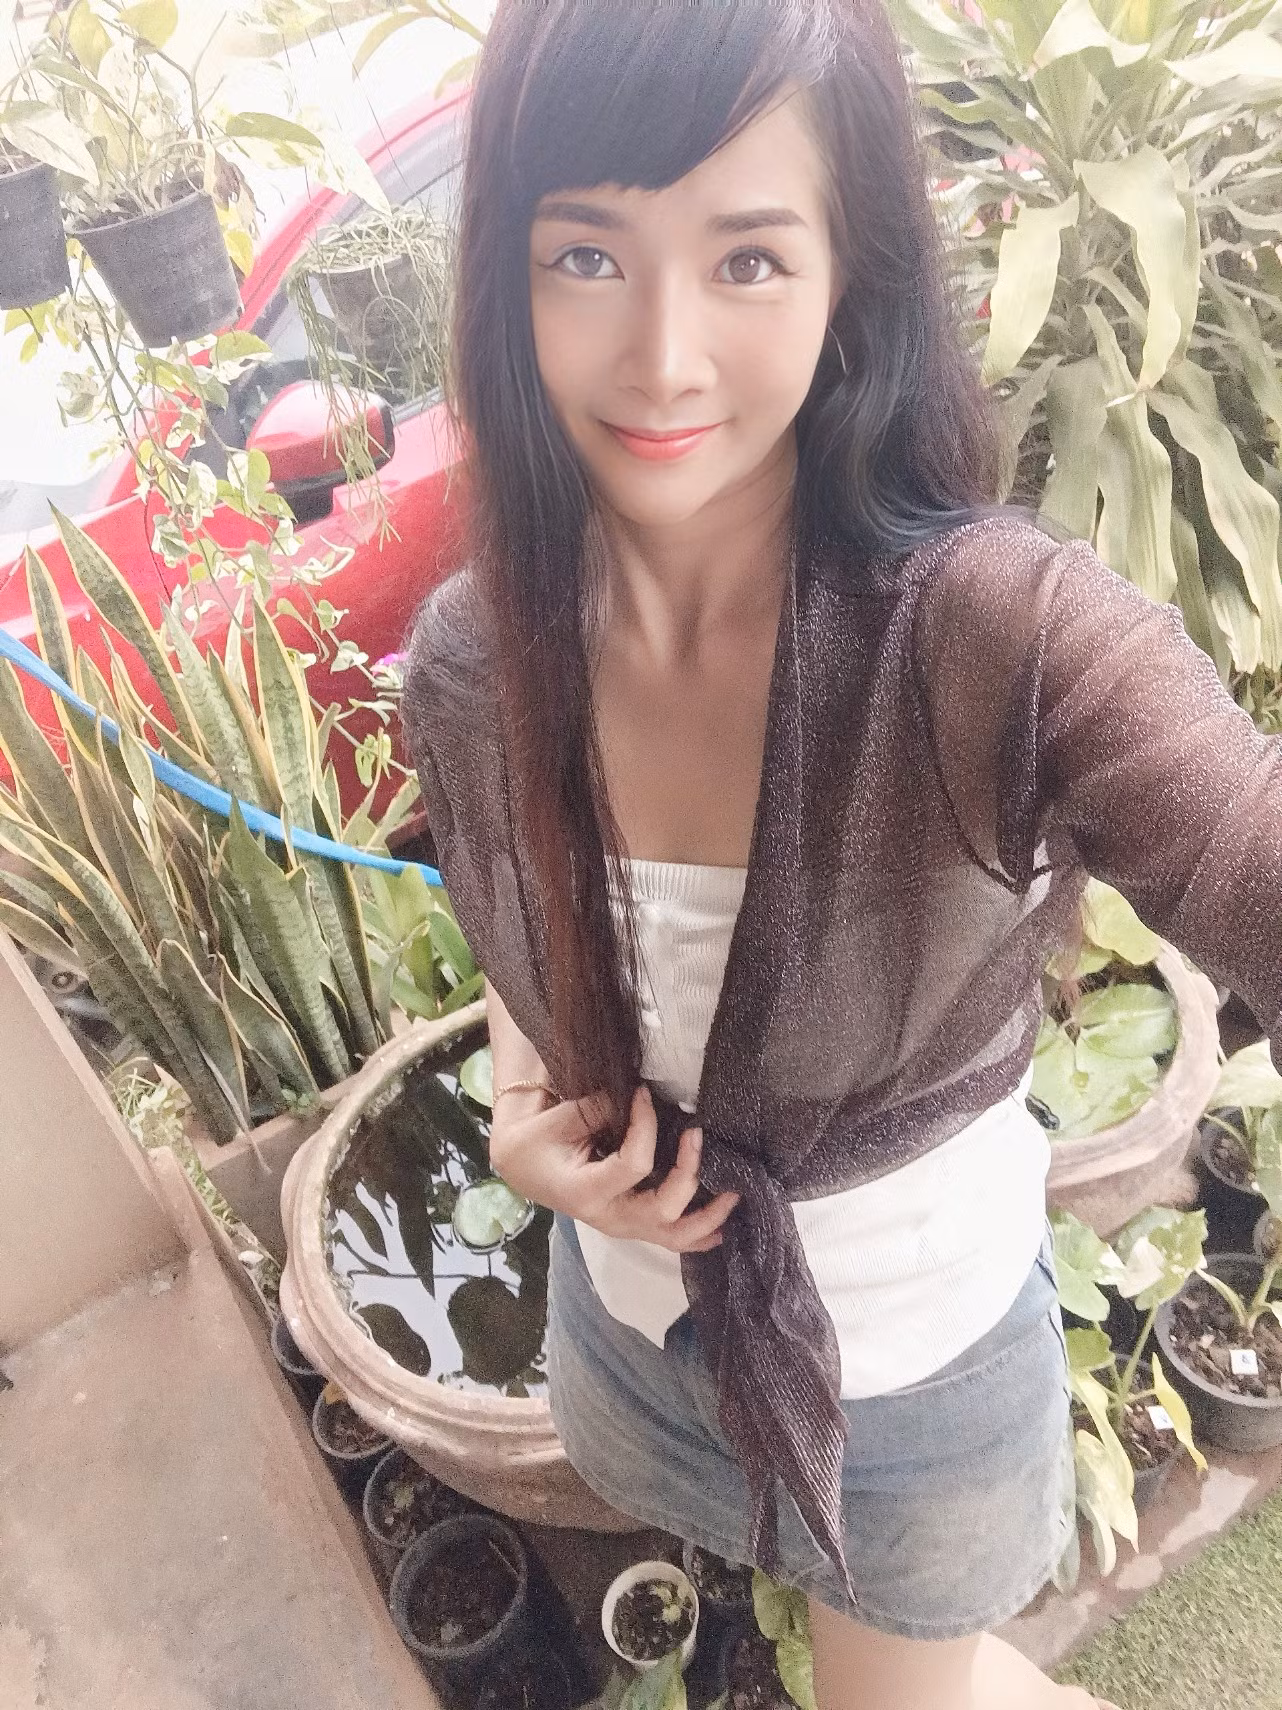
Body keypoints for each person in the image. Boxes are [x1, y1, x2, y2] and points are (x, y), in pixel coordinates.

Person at [403, 3, 1282, 1706]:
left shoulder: (988, 639)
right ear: (508, 269)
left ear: (844, 270)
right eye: (587, 253)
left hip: (910, 1389)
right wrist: (521, 1102)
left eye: (744, 259)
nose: (660, 357)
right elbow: (524, 911)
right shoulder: (472, 658)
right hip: (624, 1335)